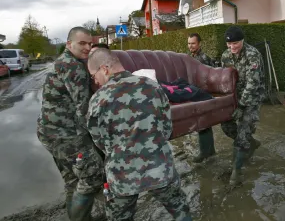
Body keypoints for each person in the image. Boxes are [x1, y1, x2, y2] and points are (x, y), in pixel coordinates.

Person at [86, 48, 192, 221]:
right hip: (160, 169)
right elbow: (166, 128)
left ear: (104, 69)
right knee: (180, 211)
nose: (96, 81)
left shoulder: (98, 100)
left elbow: (99, 140)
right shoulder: (152, 86)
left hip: (122, 177)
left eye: (93, 75)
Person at [37, 27, 104, 221]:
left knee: (73, 180)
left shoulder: (63, 61)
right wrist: (101, 139)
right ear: (69, 44)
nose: (87, 47)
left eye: (90, 43)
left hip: (48, 132)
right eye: (82, 43)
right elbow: (85, 110)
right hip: (66, 135)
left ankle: (80, 216)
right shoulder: (74, 68)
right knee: (92, 176)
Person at [220, 26, 265, 186]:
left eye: (236, 43)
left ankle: (236, 173)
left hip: (252, 98)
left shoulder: (253, 55)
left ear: (242, 40)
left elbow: (253, 84)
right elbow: (224, 80)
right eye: (229, 44)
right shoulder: (225, 56)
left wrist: (242, 105)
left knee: (242, 133)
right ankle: (251, 143)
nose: (232, 47)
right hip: (235, 98)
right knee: (226, 125)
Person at [187, 33, 216, 163]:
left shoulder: (203, 59)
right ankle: (209, 151)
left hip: (203, 94)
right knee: (204, 123)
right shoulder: (190, 57)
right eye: (189, 43)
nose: (190, 46)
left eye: (193, 43)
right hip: (195, 93)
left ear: (199, 44)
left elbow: (209, 78)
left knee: (203, 123)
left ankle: (205, 153)